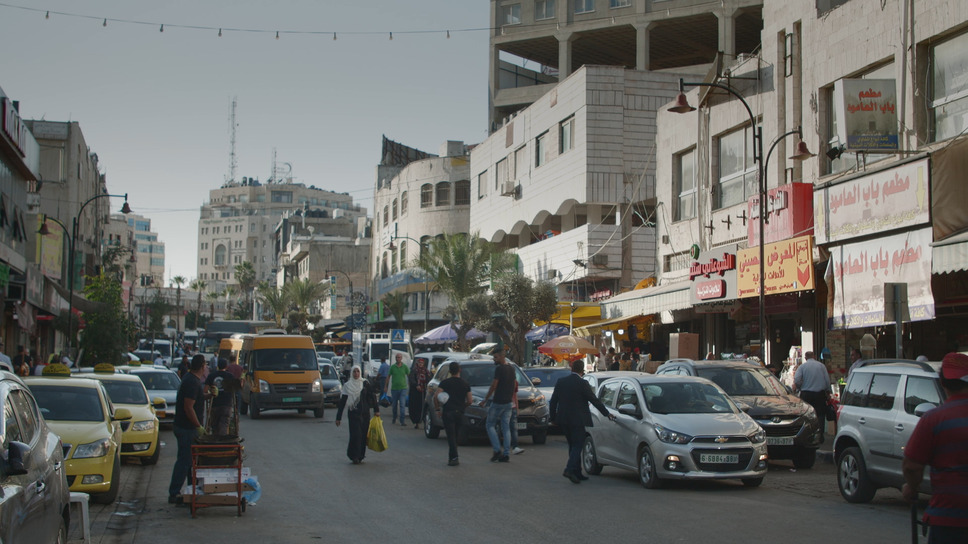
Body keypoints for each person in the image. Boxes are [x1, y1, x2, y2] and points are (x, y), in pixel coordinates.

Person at [902, 352, 968, 542]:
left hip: (948, 519)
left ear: (943, 383)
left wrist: (911, 487)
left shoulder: (934, 419)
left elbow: (911, 466)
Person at [549, 359, 615, 484]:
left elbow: (553, 401)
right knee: (578, 444)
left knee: (572, 445)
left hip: (563, 419)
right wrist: (607, 413)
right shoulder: (583, 383)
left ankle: (577, 472)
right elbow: (594, 400)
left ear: (572, 369)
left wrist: (553, 418)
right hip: (578, 420)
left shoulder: (561, 382)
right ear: (582, 370)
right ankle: (569, 469)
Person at [168, 355, 212, 504]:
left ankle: (190, 490)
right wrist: (197, 426)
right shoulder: (192, 382)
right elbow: (188, 407)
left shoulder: (190, 379)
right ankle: (174, 493)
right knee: (185, 461)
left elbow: (196, 398)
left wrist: (209, 395)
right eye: (205, 365)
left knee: (190, 462)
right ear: (202, 366)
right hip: (186, 427)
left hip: (185, 426)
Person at [335, 366, 380, 464]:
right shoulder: (347, 386)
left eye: (358, 371)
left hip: (364, 414)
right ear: (351, 373)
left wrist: (376, 410)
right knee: (356, 435)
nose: (356, 374)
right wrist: (338, 418)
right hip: (353, 414)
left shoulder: (365, 383)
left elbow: (372, 396)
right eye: (354, 372)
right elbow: (342, 402)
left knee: (363, 435)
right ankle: (353, 455)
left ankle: (360, 455)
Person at [480, 347, 515, 463]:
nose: (494, 360)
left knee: (490, 424)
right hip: (509, 402)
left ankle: (496, 450)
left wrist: (485, 399)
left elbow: (494, 385)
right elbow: (514, 385)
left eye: (495, 357)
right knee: (506, 427)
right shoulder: (511, 368)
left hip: (498, 401)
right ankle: (506, 454)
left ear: (501, 357)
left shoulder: (499, 369)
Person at [434, 361, 472, 466]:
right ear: (460, 370)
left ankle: (453, 457)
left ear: (450, 371)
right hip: (459, 412)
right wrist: (462, 406)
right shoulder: (465, 384)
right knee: (456, 434)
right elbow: (470, 400)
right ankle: (454, 455)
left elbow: (436, 396)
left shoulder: (445, 383)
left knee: (450, 435)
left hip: (448, 412)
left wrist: (437, 409)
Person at [794, 351, 830, 442]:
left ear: (805, 358)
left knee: (806, 415)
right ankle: (820, 435)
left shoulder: (802, 367)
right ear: (814, 356)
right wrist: (828, 392)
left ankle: (808, 435)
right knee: (820, 415)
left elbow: (797, 380)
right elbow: (827, 380)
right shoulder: (821, 366)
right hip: (819, 394)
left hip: (806, 394)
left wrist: (800, 387)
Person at [205, 358, 236, 436]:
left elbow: (205, 390)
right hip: (226, 404)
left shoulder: (211, 376)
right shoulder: (230, 376)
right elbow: (234, 390)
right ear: (226, 366)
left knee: (214, 426)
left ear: (217, 366)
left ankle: (215, 442)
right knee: (224, 425)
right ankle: (223, 443)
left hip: (214, 404)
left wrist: (211, 392)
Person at [385, 353, 410, 426]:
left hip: (403, 388)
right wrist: (385, 386)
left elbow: (409, 376)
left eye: (399, 357)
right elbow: (388, 376)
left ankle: (402, 420)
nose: (397, 359)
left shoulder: (405, 367)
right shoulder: (392, 367)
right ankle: (394, 417)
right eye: (396, 357)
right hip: (394, 389)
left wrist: (410, 385)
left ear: (401, 358)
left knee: (402, 404)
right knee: (394, 405)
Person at [408, 357, 431, 429]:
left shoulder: (426, 371)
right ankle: (416, 422)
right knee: (415, 406)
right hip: (415, 392)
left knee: (423, 407)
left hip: (423, 391)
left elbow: (428, 379)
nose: (420, 364)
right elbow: (411, 379)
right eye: (419, 363)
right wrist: (416, 385)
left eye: (422, 363)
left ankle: (423, 420)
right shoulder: (414, 371)